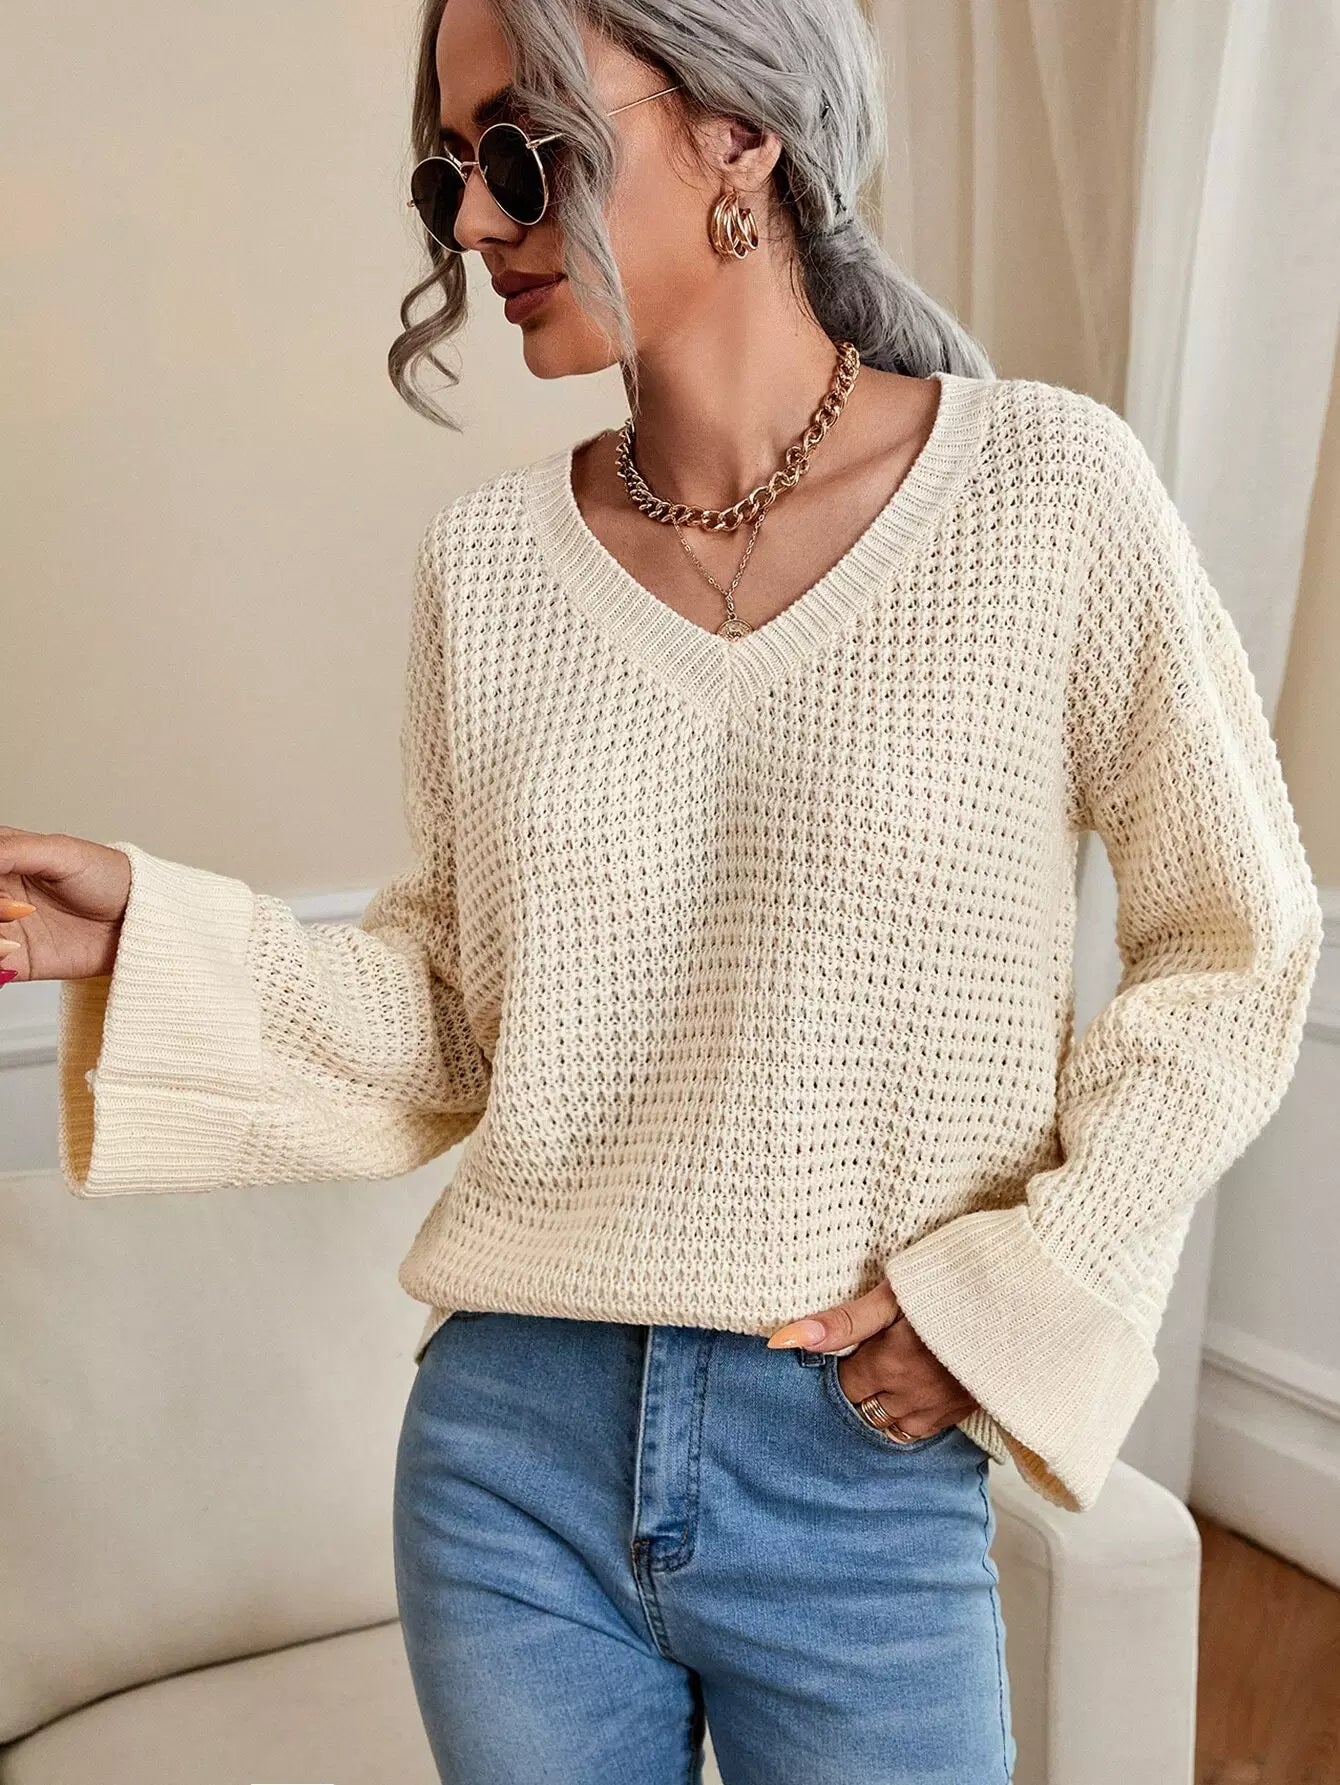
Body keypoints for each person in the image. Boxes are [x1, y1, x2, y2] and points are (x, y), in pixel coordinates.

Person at [1, 1, 1323, 1780]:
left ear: (740, 132)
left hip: (855, 1468)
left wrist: (1019, 1292)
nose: (481, 225)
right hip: (510, 1460)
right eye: (451, 176)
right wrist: (147, 937)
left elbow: (1236, 946)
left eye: (524, 150)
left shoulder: (1049, 495)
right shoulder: (488, 567)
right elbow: (451, 1014)